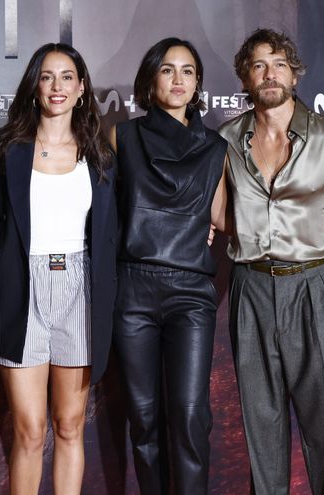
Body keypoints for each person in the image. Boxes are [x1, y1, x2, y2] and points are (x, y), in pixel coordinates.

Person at [215, 28, 324, 494]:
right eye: (258, 65)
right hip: (250, 288)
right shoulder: (226, 141)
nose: (269, 74)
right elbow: (217, 213)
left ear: (294, 73)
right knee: (261, 427)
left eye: (278, 64)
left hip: (315, 287)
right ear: (245, 79)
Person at [0, 43, 118, 495]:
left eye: (67, 77)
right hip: (22, 293)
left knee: (68, 425)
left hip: (80, 291)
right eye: (47, 76)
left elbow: (116, 231)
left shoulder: (100, 157)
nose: (57, 86)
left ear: (82, 88)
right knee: (28, 429)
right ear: (34, 87)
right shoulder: (8, 152)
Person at [110, 38, 227, 494]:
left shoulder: (217, 147)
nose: (178, 80)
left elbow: (222, 217)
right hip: (133, 290)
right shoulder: (121, 136)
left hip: (191, 293)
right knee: (143, 419)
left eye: (188, 71)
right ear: (151, 79)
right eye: (168, 70)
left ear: (198, 83)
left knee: (191, 414)